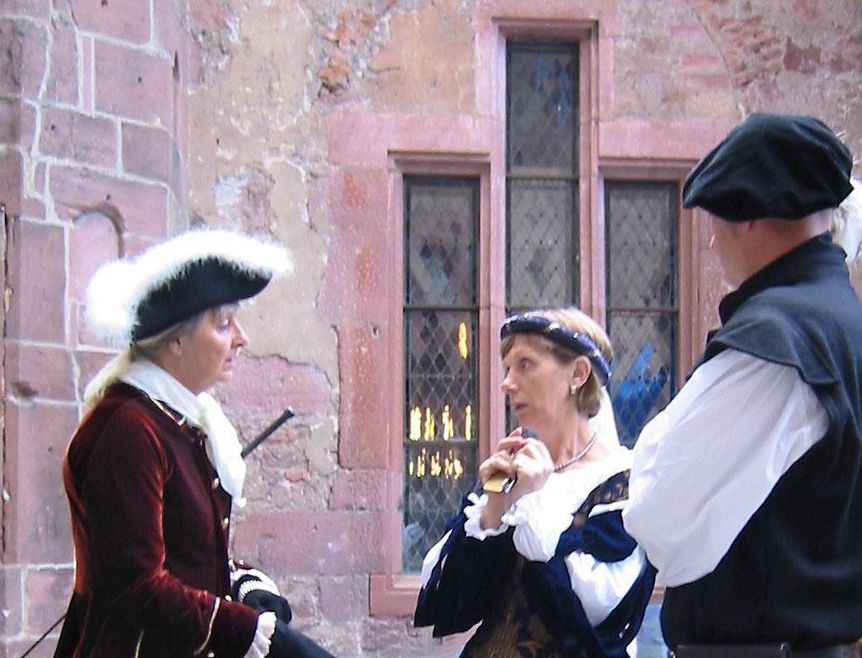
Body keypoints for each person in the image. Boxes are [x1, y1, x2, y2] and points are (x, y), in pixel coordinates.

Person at [622, 113, 862, 656]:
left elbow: (659, 518)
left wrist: (651, 451)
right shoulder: (839, 321)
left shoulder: (781, 341)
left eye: (715, 219)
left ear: (749, 216)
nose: (710, 242)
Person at [54, 229, 333, 657]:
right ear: (176, 339)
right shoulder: (129, 430)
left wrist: (243, 584)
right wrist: (246, 630)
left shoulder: (176, 421)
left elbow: (184, 554)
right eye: (223, 324)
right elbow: (136, 582)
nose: (242, 338)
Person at [414, 308, 656, 657]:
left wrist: (536, 501)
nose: (506, 383)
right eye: (507, 368)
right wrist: (495, 507)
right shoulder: (514, 469)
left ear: (578, 373)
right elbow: (452, 601)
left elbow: (600, 608)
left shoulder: (624, 481)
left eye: (525, 365)